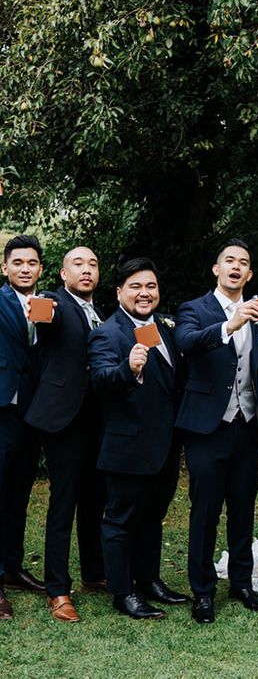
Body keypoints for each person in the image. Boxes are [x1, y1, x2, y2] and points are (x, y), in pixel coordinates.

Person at [175, 239, 258, 625]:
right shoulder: (194, 309)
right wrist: (230, 324)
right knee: (205, 511)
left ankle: (242, 583)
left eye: (243, 263)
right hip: (206, 428)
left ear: (249, 274)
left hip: (247, 427)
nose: (235, 267)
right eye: (229, 260)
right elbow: (186, 342)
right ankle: (202, 591)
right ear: (216, 269)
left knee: (243, 509)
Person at [88, 257, 188, 620]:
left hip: (164, 446)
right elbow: (99, 380)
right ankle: (122, 591)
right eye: (135, 286)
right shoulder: (107, 333)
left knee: (152, 517)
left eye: (150, 286)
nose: (144, 293)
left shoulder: (166, 327)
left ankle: (149, 580)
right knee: (120, 520)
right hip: (127, 446)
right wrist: (126, 369)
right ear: (119, 293)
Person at [26, 247, 108, 622]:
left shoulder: (100, 313)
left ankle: (94, 574)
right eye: (78, 263)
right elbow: (43, 316)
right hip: (63, 421)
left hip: (99, 422)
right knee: (64, 503)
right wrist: (40, 305)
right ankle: (57, 589)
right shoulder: (53, 302)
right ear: (62, 273)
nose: (86, 269)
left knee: (94, 500)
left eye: (92, 264)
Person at [0, 235, 45, 620]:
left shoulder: (47, 306)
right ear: (5, 267)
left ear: (40, 269)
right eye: (18, 263)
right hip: (1, 408)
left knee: (18, 495)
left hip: (33, 414)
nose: (25, 269)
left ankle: (12, 567)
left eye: (32, 263)